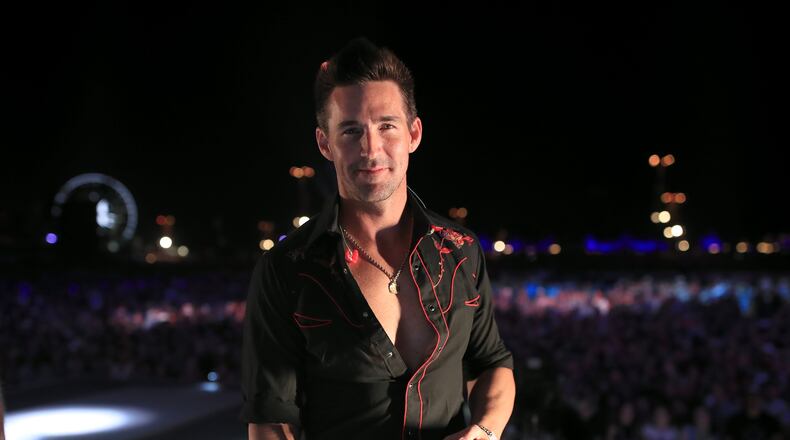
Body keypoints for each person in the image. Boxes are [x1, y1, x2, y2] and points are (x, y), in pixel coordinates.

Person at [241, 37, 515, 440]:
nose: (371, 148)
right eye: (351, 130)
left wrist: (485, 431)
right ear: (325, 143)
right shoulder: (286, 270)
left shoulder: (460, 251)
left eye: (386, 126)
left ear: (414, 134)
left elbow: (491, 363)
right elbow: (269, 421)